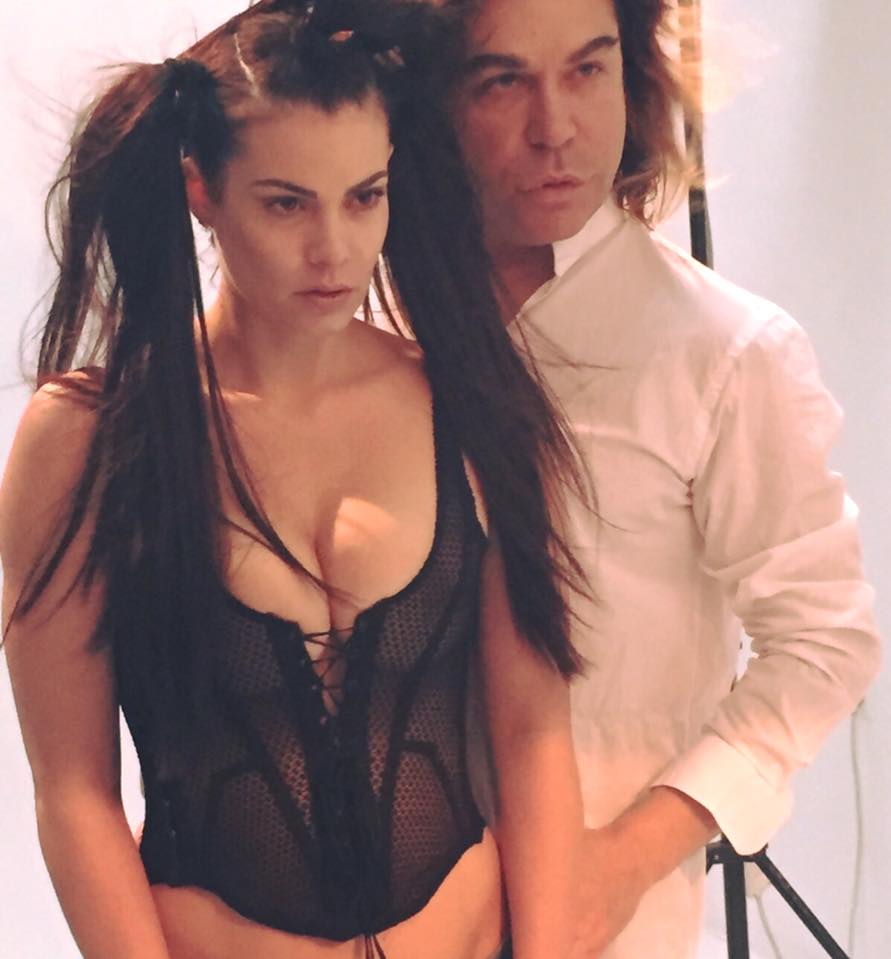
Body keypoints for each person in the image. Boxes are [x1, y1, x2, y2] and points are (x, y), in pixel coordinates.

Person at [0, 2, 592, 958]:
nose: (334, 249)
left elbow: (532, 734)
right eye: (286, 203)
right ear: (201, 189)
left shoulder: (469, 401)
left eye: (364, 196)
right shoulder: (87, 440)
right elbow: (74, 791)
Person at [439, 0, 884, 956]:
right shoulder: (366, 327)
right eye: (502, 80)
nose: (555, 127)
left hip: (610, 925)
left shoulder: (722, 350)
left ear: (632, 76)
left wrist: (626, 860)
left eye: (587, 70)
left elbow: (823, 642)